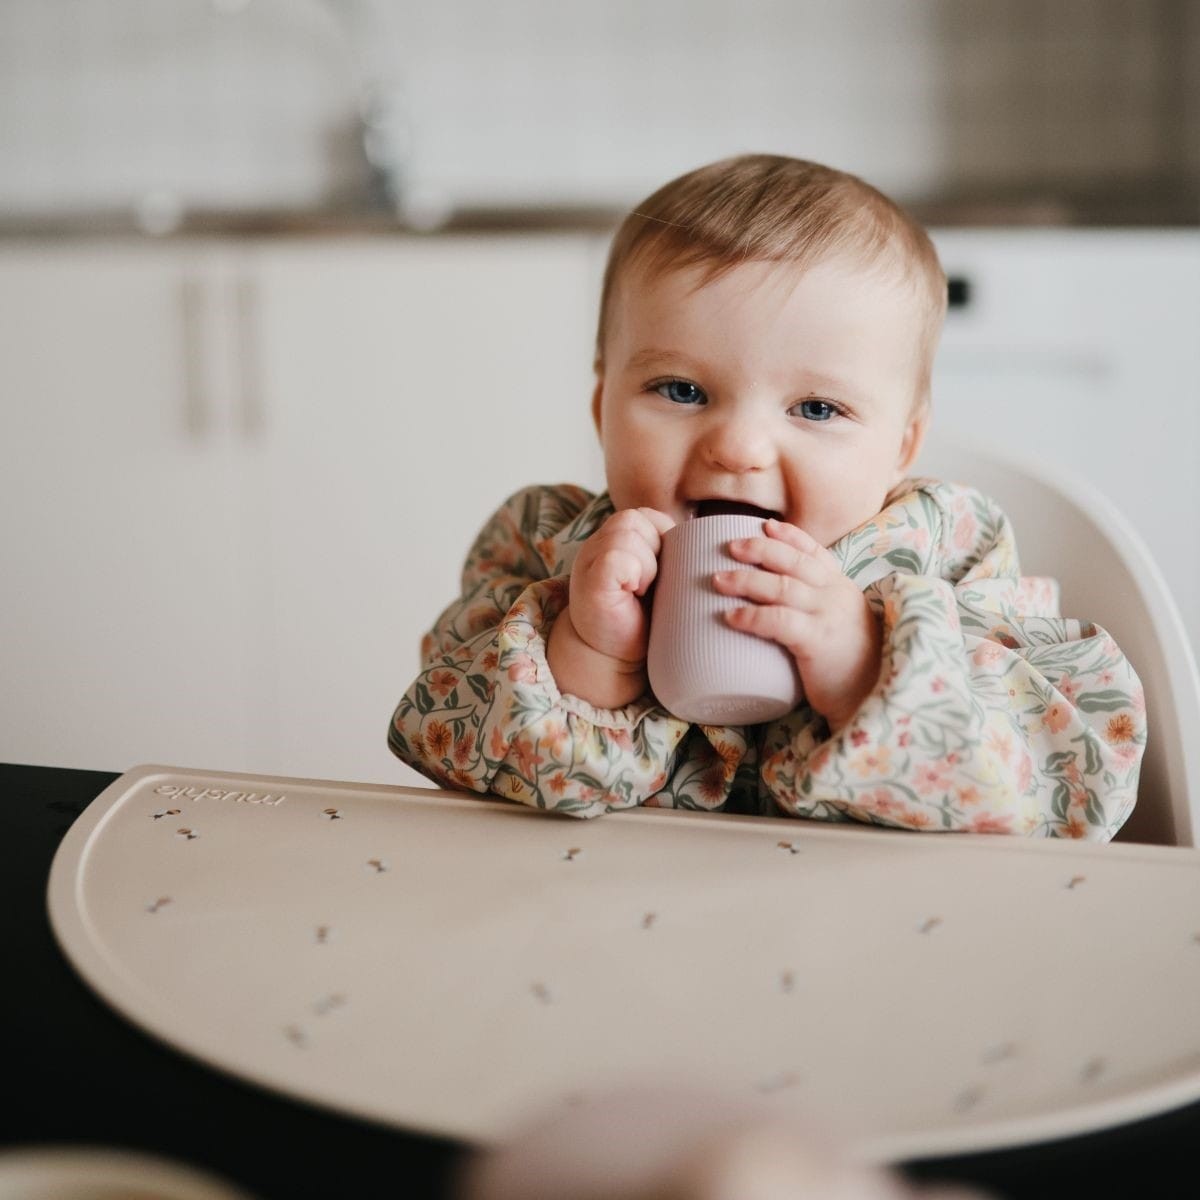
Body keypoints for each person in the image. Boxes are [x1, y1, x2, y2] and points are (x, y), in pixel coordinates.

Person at [388, 153, 1144, 839]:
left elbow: (1073, 786)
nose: (738, 449)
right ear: (601, 412)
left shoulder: (947, 555)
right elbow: (445, 740)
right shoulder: (549, 545)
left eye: (817, 409)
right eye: (682, 390)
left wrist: (866, 665)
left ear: (903, 447)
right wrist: (585, 653)